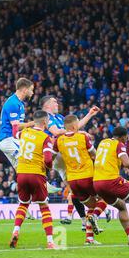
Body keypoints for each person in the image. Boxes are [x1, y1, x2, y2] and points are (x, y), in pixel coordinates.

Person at [40, 95, 109, 229]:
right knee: (87, 178)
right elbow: (56, 132)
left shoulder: (59, 117)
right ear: (46, 104)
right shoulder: (45, 116)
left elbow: (73, 126)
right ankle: (96, 211)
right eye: (54, 102)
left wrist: (89, 114)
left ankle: (84, 220)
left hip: (65, 152)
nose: (57, 104)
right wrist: (77, 133)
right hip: (59, 151)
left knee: (75, 188)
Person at [53, 115, 109, 245]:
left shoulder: (59, 141)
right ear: (74, 126)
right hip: (88, 176)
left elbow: (51, 157)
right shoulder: (82, 137)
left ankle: (89, 238)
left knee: (91, 206)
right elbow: (94, 154)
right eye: (78, 124)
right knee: (107, 196)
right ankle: (95, 217)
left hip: (72, 180)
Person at [9, 110, 56, 249]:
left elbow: (15, 132)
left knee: (23, 204)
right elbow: (47, 159)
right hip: (36, 174)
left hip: (21, 173)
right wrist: (50, 167)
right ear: (44, 122)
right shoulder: (45, 138)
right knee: (43, 206)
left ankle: (15, 231)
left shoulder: (25, 133)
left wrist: (15, 124)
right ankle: (50, 241)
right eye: (48, 121)